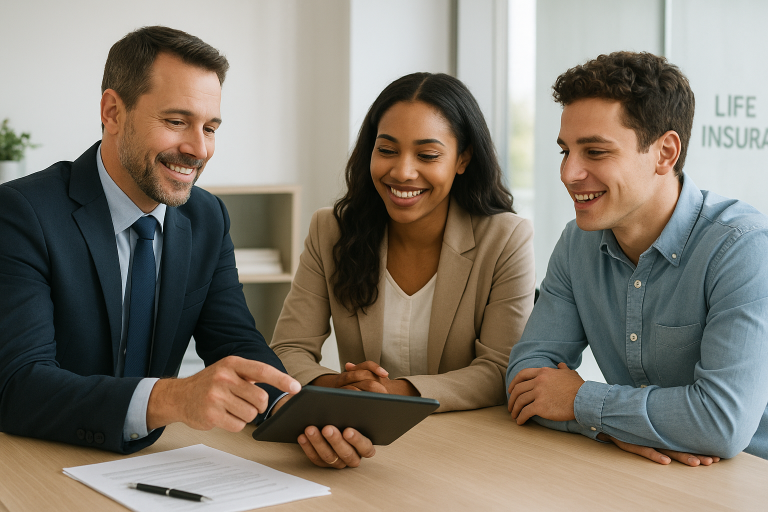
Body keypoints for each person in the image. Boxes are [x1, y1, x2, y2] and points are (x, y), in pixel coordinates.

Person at [0, 26, 374, 468]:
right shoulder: (22, 213)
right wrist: (174, 397)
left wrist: (303, 419)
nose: (198, 149)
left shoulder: (206, 217)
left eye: (210, 127)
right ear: (113, 112)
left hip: (151, 461)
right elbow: (19, 385)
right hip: (40, 461)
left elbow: (236, 343)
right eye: (177, 121)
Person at [506, 51, 768, 465]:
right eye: (565, 151)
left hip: (748, 480)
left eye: (595, 152)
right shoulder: (577, 243)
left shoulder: (742, 247)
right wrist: (608, 427)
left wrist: (583, 403)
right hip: (643, 477)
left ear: (665, 153)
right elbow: (526, 379)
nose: (568, 173)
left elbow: (722, 423)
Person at [271, 72, 535, 418]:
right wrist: (335, 387)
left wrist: (394, 392)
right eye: (387, 150)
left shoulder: (505, 239)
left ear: (463, 160)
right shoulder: (331, 229)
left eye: (427, 155)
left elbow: (501, 367)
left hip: (464, 440)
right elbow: (289, 349)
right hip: (361, 430)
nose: (402, 172)